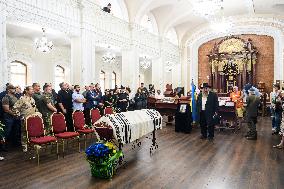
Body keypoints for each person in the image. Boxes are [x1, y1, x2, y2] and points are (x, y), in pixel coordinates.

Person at [12, 86, 41, 152]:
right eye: (31, 89)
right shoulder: (22, 98)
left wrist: (37, 113)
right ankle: (24, 145)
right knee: (24, 132)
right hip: (25, 118)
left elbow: (35, 108)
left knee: (33, 132)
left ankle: (33, 144)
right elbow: (15, 108)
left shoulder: (32, 99)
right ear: (27, 91)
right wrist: (20, 116)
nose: (32, 90)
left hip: (33, 119)